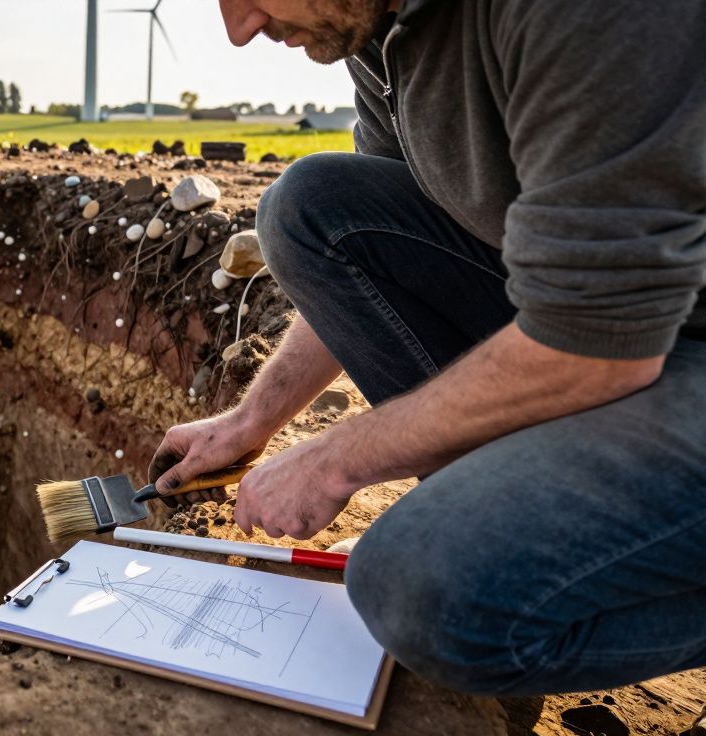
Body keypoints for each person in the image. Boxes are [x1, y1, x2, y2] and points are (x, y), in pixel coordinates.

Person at [149, 0, 705, 696]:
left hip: (649, 335)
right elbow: (375, 251)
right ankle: (505, 517)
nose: (239, 30)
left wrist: (332, 461)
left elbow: (595, 341)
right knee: (309, 206)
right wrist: (250, 421)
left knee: (418, 594)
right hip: (616, 319)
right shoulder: (375, 25)